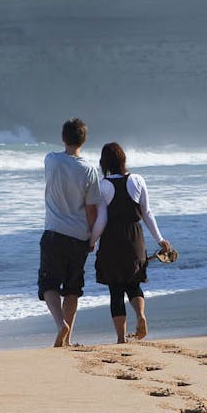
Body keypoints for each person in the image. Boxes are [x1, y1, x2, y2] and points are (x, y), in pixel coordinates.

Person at [90, 142, 171, 344]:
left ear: (104, 162)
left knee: (116, 290)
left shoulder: (103, 185)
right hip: (135, 238)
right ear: (123, 159)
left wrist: (91, 241)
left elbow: (101, 220)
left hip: (111, 240)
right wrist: (160, 239)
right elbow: (147, 213)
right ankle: (141, 316)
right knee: (133, 284)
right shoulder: (137, 180)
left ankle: (121, 338)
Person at [39, 118, 103, 348]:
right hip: (79, 236)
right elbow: (91, 210)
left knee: (49, 285)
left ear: (62, 137)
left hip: (54, 232)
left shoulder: (51, 160)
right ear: (83, 140)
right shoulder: (89, 170)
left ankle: (60, 325)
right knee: (73, 289)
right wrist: (93, 238)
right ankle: (67, 337)